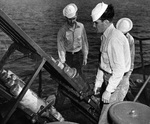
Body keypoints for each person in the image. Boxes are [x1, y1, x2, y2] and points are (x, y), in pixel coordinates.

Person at [91, 2, 131, 124]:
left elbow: (119, 70)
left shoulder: (114, 39)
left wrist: (108, 91)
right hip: (110, 80)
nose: (93, 26)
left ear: (106, 22)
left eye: (96, 23)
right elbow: (103, 64)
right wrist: (98, 84)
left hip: (117, 84)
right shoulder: (105, 37)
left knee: (104, 120)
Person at [57, 3, 89, 76]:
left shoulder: (81, 27)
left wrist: (85, 57)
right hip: (68, 57)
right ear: (66, 18)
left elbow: (84, 42)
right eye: (69, 19)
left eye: (73, 18)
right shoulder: (62, 30)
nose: (72, 21)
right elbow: (60, 47)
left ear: (76, 15)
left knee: (79, 76)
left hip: (79, 55)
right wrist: (62, 61)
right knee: (66, 77)